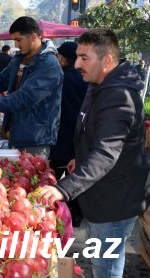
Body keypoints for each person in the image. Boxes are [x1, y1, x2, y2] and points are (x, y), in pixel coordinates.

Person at [39, 29, 150, 278]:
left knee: (106, 268)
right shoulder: (99, 83)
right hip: (104, 194)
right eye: (78, 57)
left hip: (115, 201)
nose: (77, 63)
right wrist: (79, 157)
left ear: (107, 61)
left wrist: (64, 188)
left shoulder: (118, 96)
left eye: (84, 58)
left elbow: (106, 153)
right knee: (102, 261)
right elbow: (98, 133)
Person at [0, 16, 63, 159]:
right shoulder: (19, 59)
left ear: (32, 37)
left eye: (19, 40)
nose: (16, 44)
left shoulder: (49, 64)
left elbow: (25, 97)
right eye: (14, 41)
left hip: (35, 139)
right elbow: (0, 80)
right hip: (15, 132)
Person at [48, 41, 88, 227]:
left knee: (53, 175)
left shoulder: (60, 78)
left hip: (61, 132)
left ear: (63, 59)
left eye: (58, 56)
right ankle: (77, 213)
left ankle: (53, 212)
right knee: (75, 173)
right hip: (79, 134)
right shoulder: (85, 79)